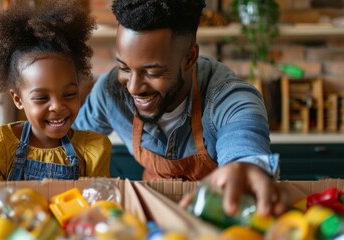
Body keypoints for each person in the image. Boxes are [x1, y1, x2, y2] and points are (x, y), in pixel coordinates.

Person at [74, 0, 287, 216]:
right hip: (150, 220)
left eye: (152, 72)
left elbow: (244, 142)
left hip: (217, 217)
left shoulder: (227, 97)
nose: (133, 87)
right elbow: (73, 148)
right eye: (124, 68)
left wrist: (247, 166)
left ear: (189, 58)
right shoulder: (111, 92)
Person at [0, 0, 111, 181]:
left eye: (69, 94)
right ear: (18, 99)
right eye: (42, 98)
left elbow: (98, 202)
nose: (58, 106)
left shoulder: (92, 149)